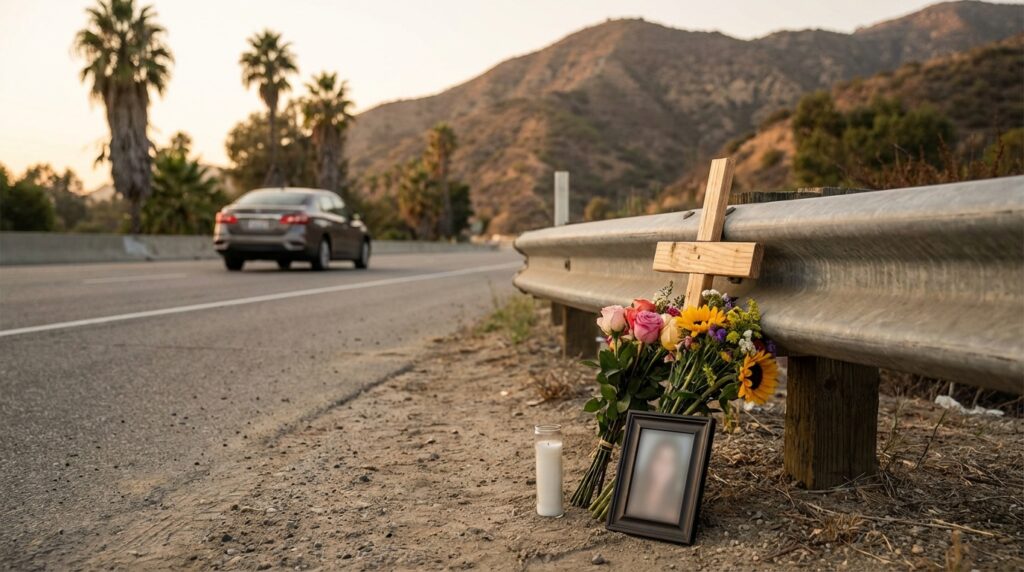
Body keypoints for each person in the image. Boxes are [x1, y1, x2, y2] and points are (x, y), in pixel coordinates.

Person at [625, 433, 690, 523]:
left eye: (670, 462)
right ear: (651, 462)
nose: (664, 466)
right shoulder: (632, 490)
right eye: (660, 459)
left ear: (676, 468)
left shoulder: (679, 505)